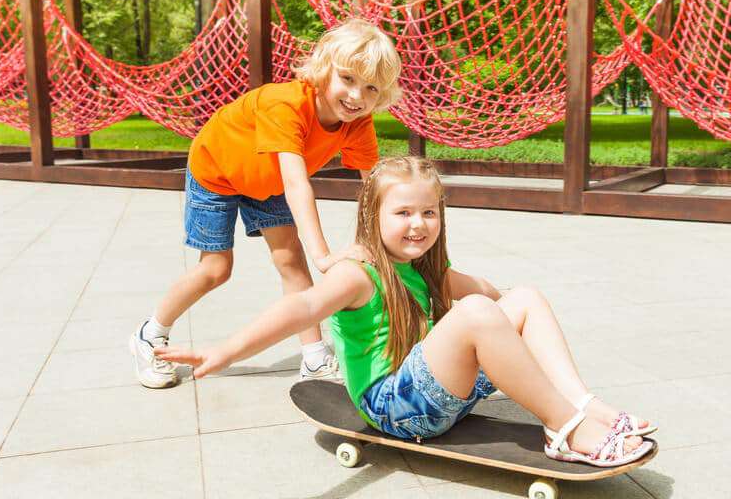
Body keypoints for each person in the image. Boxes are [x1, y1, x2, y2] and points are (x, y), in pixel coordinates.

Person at [157, 157, 656, 467]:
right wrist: (225, 349)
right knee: (478, 312)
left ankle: (583, 407)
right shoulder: (360, 271)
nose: (418, 224)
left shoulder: (423, 265)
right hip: (394, 408)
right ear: (373, 216)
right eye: (403, 213)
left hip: (436, 391)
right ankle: (566, 431)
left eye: (429, 212)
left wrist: (516, 308)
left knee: (522, 295)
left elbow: (484, 290)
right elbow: (303, 305)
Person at [129, 19, 402, 388]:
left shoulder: (358, 123)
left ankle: (315, 360)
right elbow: (296, 183)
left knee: (291, 262)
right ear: (324, 69)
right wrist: (324, 255)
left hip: (267, 180)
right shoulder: (285, 104)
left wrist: (390, 243)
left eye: (371, 88)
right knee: (216, 269)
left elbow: (375, 189)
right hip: (217, 170)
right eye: (348, 79)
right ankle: (149, 334)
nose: (357, 96)